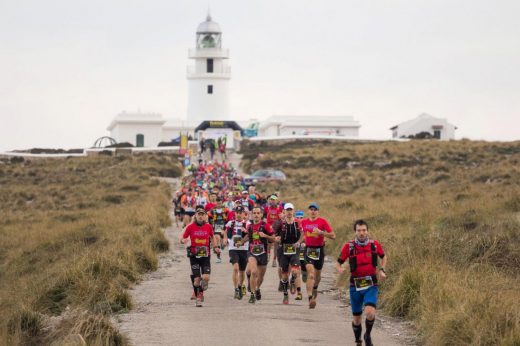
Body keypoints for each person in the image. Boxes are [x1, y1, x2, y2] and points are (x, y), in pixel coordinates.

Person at [336, 220, 387, 346]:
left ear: (367, 231)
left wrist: (382, 269)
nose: (362, 233)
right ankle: (358, 339)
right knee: (357, 319)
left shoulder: (374, 245)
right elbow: (338, 262)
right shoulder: (349, 246)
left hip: (371, 284)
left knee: (370, 313)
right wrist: (340, 269)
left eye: (364, 230)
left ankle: (367, 335)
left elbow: (383, 256)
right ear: (355, 232)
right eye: (359, 230)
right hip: (355, 286)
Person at [179, 205, 221, 307]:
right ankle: (198, 297)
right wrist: (182, 240)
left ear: (205, 216)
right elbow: (182, 237)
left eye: (202, 215)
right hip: (194, 255)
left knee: (205, 278)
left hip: (206, 255)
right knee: (197, 280)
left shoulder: (208, 226)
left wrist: (215, 247)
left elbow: (212, 237)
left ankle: (201, 290)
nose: (201, 216)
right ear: (196, 216)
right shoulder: (190, 226)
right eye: (199, 215)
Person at [299, 203, 335, 309]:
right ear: (308, 211)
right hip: (308, 249)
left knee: (318, 276)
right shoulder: (304, 222)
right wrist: (299, 242)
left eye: (315, 209)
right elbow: (303, 234)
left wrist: (322, 233)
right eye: (311, 209)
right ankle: (310, 298)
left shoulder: (322, 222)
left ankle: (315, 287)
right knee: (311, 274)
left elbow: (333, 235)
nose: (313, 211)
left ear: (318, 212)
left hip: (319, 250)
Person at [236, 205, 275, 303]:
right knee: (253, 272)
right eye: (254, 213)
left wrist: (265, 235)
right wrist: (241, 242)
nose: (256, 215)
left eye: (258, 213)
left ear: (261, 215)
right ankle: (252, 295)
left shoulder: (266, 225)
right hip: (252, 252)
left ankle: (257, 288)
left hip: (263, 253)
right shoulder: (250, 226)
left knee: (261, 277)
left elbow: (273, 238)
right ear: (251, 215)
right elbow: (248, 237)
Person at [273, 203, 303, 304]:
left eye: (291, 210)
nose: (289, 212)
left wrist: (299, 242)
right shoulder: (280, 224)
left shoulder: (298, 222)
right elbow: (274, 235)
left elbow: (303, 233)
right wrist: (276, 238)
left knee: (295, 271)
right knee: (284, 276)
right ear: (284, 212)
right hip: (283, 250)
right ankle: (285, 295)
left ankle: (293, 281)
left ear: (293, 211)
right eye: (287, 210)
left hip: (294, 249)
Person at [224, 206, 250, 299]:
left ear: (244, 214)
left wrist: (246, 231)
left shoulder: (247, 224)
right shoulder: (231, 223)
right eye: (237, 212)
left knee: (242, 271)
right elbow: (225, 231)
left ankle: (239, 286)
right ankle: (236, 289)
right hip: (233, 248)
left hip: (244, 249)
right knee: (235, 268)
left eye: (240, 212)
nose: (238, 214)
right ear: (235, 213)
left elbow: (250, 234)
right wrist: (225, 239)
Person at [207, 197, 229, 263]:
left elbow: (229, 219)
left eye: (220, 203)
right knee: (217, 239)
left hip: (224, 229)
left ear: (222, 203)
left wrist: (226, 229)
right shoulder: (212, 211)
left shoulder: (226, 210)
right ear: (215, 203)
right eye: (217, 203)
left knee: (224, 244)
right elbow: (208, 219)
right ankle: (218, 257)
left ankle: (222, 246)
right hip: (215, 228)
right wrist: (210, 227)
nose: (219, 205)